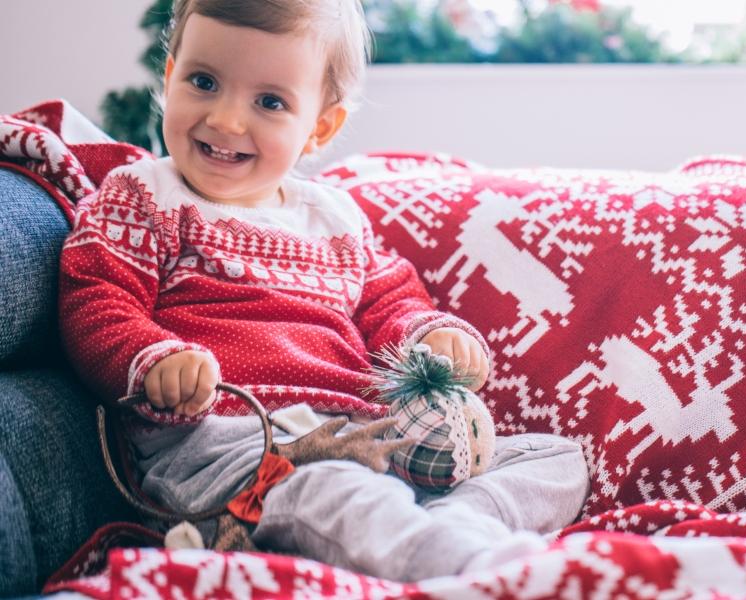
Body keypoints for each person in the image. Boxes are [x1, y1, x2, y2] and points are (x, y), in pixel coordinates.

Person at [58, 0, 589, 582]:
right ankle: (452, 563)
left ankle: (451, 527)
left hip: (363, 434)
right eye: (204, 82)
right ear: (170, 77)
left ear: (320, 127)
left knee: (554, 459)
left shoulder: (334, 217)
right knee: (329, 490)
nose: (228, 121)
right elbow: (96, 299)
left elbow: (389, 300)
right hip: (233, 448)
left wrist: (430, 335)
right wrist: (154, 358)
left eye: (269, 102)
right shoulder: (143, 195)